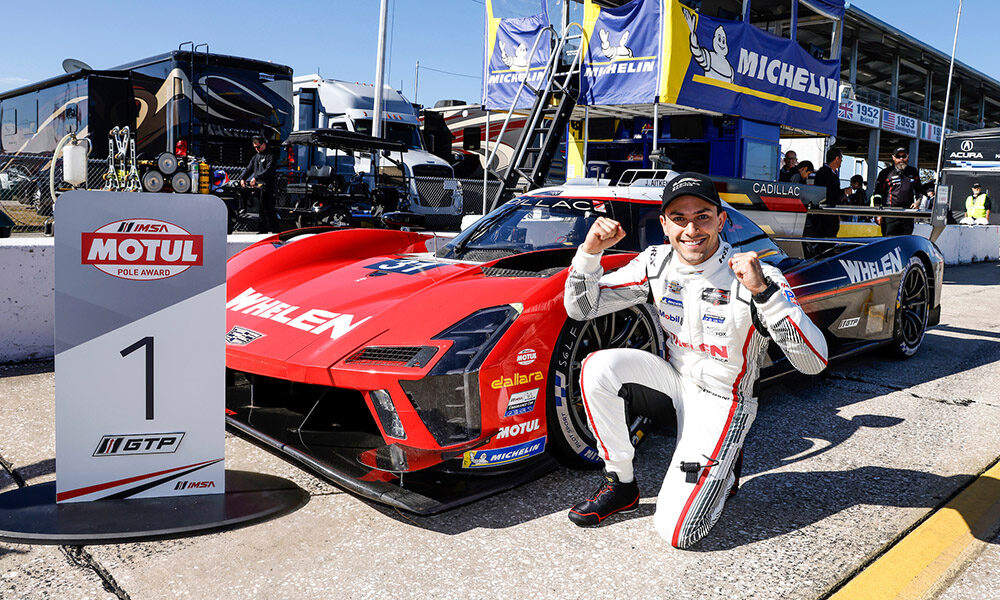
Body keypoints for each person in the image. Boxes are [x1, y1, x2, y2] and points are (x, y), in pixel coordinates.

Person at [563, 172, 828, 549]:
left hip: (724, 399)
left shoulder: (757, 274)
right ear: (664, 224)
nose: (691, 229)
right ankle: (620, 483)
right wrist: (589, 254)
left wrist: (764, 293)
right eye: (679, 218)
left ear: (721, 220)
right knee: (598, 367)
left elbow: (813, 362)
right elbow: (581, 307)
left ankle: (725, 458)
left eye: (702, 216)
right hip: (674, 380)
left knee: (680, 534)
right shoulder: (655, 262)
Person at [802, 148, 844, 258]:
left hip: (831, 214)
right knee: (825, 242)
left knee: (830, 239)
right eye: (841, 159)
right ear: (837, 158)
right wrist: (843, 192)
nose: (841, 162)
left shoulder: (832, 173)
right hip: (825, 215)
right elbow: (828, 193)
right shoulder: (824, 173)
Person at [873, 147, 920, 236]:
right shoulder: (886, 173)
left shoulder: (913, 171)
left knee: (905, 241)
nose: (901, 159)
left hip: (907, 213)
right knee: (889, 241)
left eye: (904, 156)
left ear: (908, 157)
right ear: (893, 157)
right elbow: (877, 194)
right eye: (898, 156)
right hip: (890, 212)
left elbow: (920, 191)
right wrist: (878, 213)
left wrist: (917, 202)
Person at [239, 136, 279, 234]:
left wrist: (256, 177)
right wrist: (242, 178)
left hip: (268, 187)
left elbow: (268, 171)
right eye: (255, 147)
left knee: (269, 210)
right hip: (258, 188)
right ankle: (262, 231)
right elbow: (249, 168)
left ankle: (276, 231)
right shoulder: (256, 157)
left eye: (258, 147)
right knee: (259, 209)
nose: (257, 149)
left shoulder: (270, 156)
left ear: (264, 144)